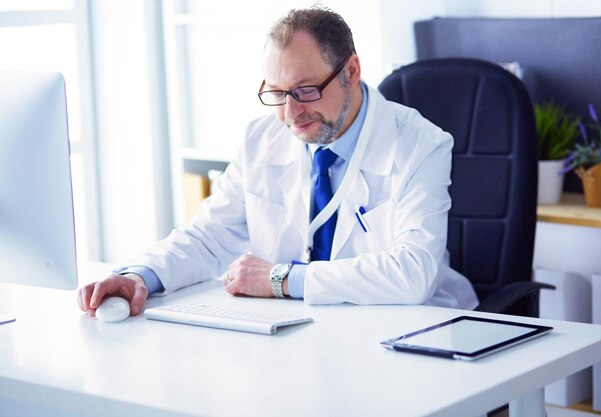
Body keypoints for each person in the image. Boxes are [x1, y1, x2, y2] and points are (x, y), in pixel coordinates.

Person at [77, 6, 478, 318]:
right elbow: (207, 237)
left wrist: (281, 279)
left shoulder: (419, 144)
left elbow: (413, 275)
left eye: (305, 90)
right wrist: (137, 277)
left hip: (407, 328)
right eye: (276, 93)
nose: (290, 113)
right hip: (303, 331)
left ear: (350, 71)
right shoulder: (261, 138)